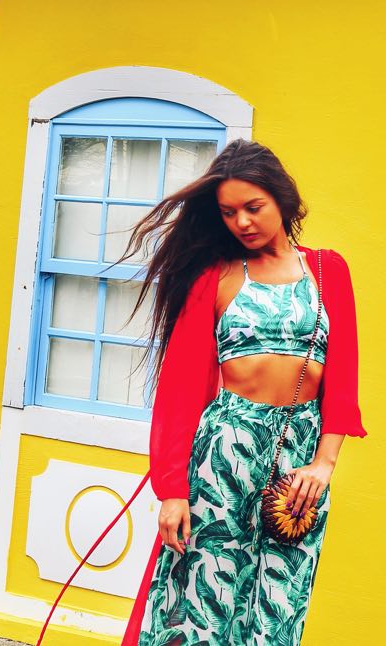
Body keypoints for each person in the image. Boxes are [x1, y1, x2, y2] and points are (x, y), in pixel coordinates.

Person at [118, 139, 366, 645]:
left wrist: (324, 464)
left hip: (298, 465)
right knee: (201, 604)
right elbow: (180, 391)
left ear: (282, 199)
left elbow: (343, 378)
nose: (242, 222)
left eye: (253, 207)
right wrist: (173, 491)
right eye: (229, 213)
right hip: (224, 454)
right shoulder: (215, 277)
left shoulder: (328, 271)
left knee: (278, 607)